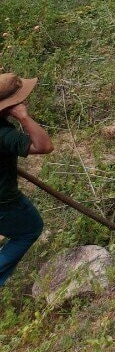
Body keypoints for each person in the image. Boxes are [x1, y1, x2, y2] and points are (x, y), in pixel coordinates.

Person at [0, 73, 53, 289]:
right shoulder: (4, 134)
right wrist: (24, 117)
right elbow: (44, 146)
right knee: (30, 228)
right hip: (4, 202)